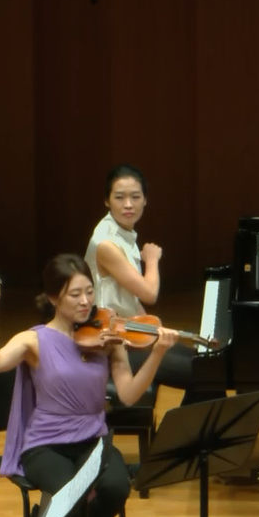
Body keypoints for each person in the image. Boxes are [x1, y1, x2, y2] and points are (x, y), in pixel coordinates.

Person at [0, 254, 176, 517]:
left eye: (89, 291)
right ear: (54, 298)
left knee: (116, 487)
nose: (86, 301)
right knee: (68, 492)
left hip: (92, 440)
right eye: (75, 294)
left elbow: (129, 395)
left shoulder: (107, 336)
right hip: (45, 445)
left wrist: (157, 354)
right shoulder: (34, 340)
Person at [85, 164, 197, 389]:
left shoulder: (121, 231)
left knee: (203, 365)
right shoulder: (106, 244)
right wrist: (152, 259)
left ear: (145, 200)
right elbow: (149, 294)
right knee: (203, 373)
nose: (128, 204)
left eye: (135, 197)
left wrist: (153, 329)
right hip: (114, 343)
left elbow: (131, 298)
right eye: (119, 197)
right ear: (107, 201)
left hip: (129, 332)